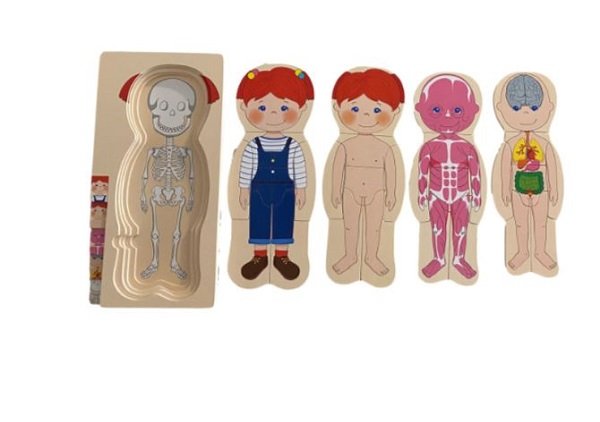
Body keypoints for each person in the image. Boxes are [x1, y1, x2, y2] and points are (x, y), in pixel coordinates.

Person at [236, 67, 314, 280]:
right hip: (258, 190)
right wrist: (243, 189)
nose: (272, 114)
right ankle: (259, 256)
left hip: (286, 191)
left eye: (283, 107)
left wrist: (301, 188)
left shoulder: (293, 145)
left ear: (301, 108)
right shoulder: (253, 145)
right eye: (262, 107)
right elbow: (246, 167)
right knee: (258, 220)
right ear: (245, 107)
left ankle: (282, 256)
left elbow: (299, 168)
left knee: (284, 220)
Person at [329, 68, 404, 275]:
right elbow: (337, 169)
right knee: (349, 225)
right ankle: (350, 256)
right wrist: (335, 190)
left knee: (375, 226)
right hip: (349, 191)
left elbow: (391, 171)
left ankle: (372, 257)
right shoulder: (344, 145)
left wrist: (392, 193)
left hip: (377, 192)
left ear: (395, 111)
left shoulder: (386, 147)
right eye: (354, 109)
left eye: (377, 110)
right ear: (338, 108)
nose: (365, 115)